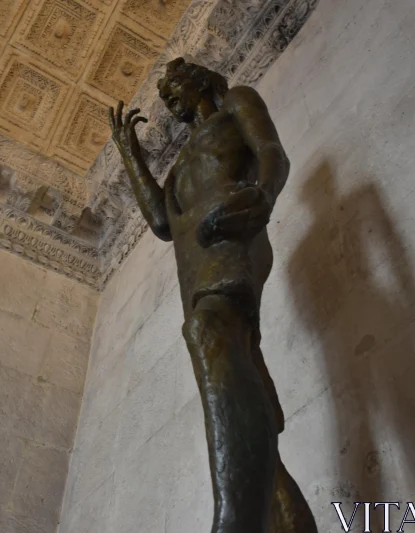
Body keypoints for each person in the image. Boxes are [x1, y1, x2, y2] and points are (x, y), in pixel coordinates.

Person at [109, 57, 318, 533]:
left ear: (198, 81)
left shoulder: (236, 105)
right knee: (228, 378)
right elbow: (163, 222)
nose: (169, 101)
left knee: (208, 331)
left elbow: (272, 154)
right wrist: (129, 153)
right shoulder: (181, 161)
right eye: (165, 97)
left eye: (173, 89)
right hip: (195, 273)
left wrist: (263, 197)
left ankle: (234, 521)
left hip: (232, 239)